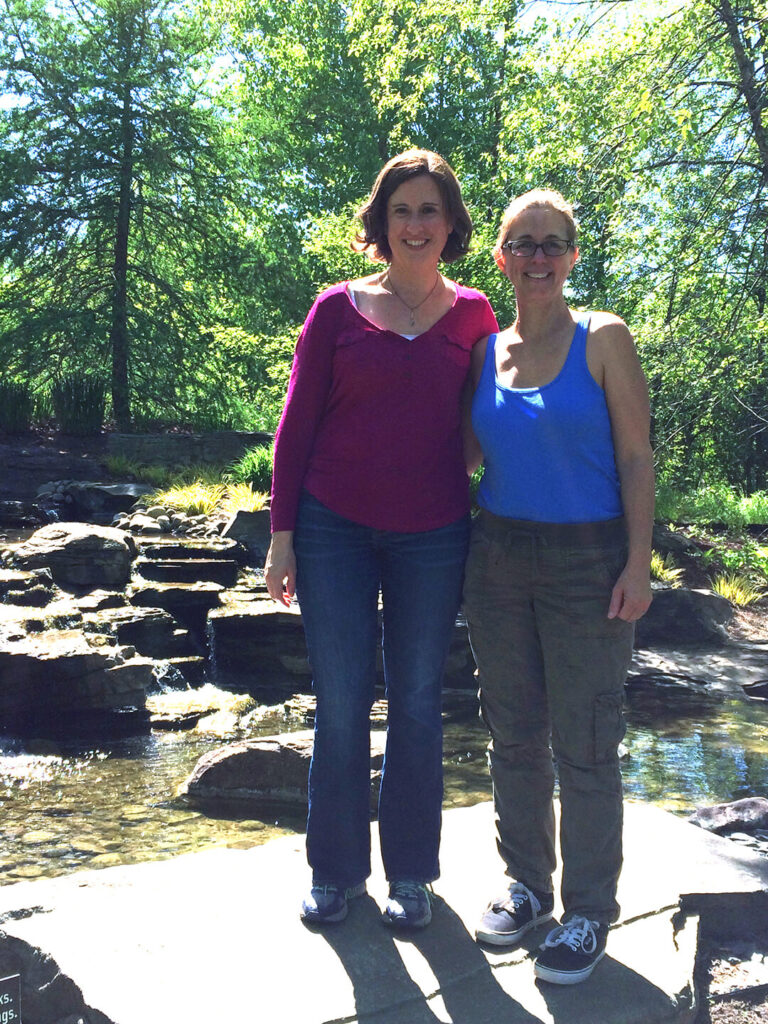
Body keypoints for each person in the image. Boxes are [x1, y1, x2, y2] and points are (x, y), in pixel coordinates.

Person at [264, 149, 497, 930]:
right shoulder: (336, 308)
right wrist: (282, 533)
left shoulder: (474, 315)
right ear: (381, 222)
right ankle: (334, 872)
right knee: (340, 701)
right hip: (332, 528)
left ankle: (413, 876)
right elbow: (296, 425)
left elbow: (482, 423)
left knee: (420, 703)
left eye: (429, 210)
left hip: (433, 534)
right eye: (402, 210)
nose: (416, 224)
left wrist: (443, 473)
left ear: (451, 224)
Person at [463, 189, 654, 983]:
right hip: (498, 558)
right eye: (523, 244)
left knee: (585, 744)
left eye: (553, 243)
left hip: (589, 561)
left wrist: (637, 563)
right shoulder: (485, 352)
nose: (538, 257)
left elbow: (638, 459)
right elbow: (466, 457)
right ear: (501, 258)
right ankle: (528, 888)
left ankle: (586, 914)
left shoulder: (604, 338)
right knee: (512, 734)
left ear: (573, 256)